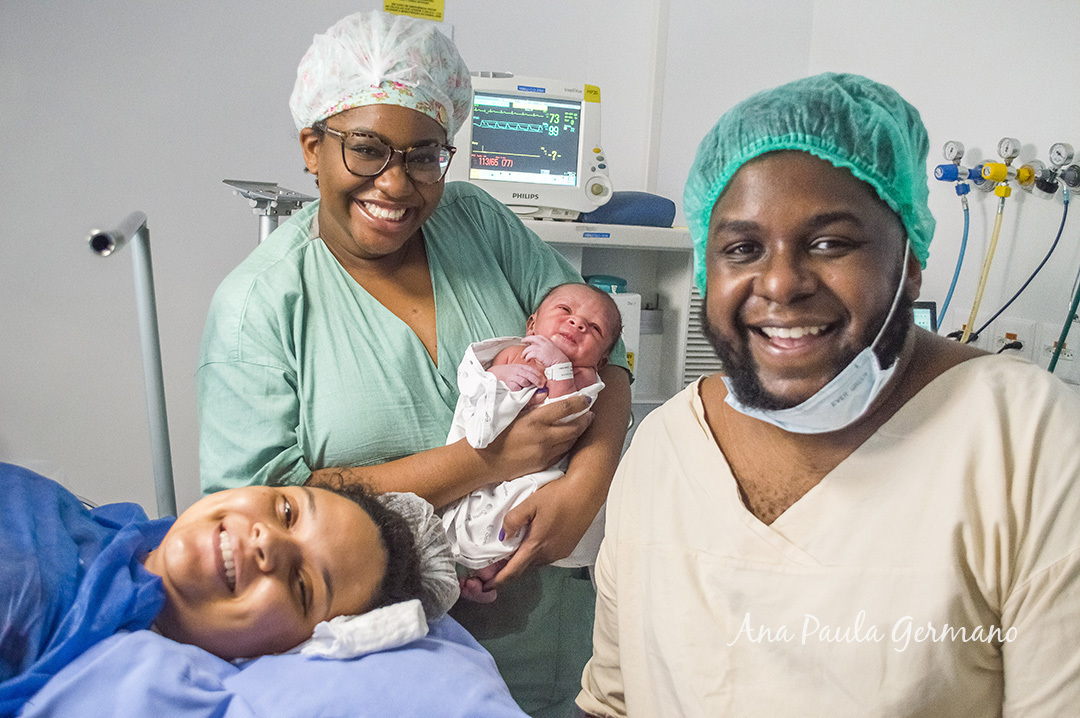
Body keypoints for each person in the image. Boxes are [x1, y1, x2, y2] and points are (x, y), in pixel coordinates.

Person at [577, 73, 1080, 717]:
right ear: (708, 267)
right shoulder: (668, 445)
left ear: (910, 259)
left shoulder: (1027, 439)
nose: (781, 282)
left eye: (830, 243)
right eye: (743, 248)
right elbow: (613, 700)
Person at [196, 11, 631, 716]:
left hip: (537, 619)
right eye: (367, 150)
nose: (397, 185)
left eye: (424, 155)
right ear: (312, 146)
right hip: (369, 659)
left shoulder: (476, 224)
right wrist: (483, 461)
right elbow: (260, 507)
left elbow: (607, 361)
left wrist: (584, 489)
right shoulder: (260, 306)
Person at [0, 461, 432, 712]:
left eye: (302, 586)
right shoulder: (110, 526)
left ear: (287, 652)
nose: (270, 543)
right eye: (286, 511)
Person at [441, 283, 623, 602]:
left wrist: (558, 369)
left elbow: (562, 415)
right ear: (531, 325)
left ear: (602, 360)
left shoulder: (584, 379)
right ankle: (478, 571)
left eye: (593, 328)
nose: (577, 324)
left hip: (538, 468)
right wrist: (499, 379)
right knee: (471, 506)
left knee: (525, 512)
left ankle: (489, 576)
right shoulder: (513, 352)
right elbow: (476, 385)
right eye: (565, 311)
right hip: (486, 457)